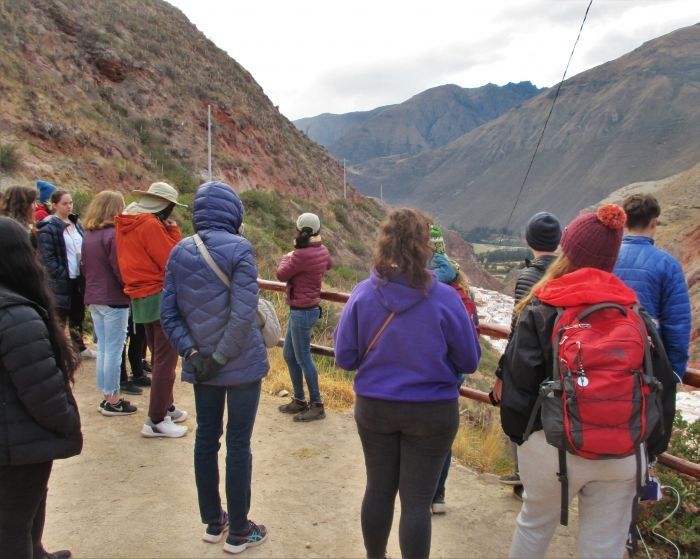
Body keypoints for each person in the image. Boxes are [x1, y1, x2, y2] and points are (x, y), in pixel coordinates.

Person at [499, 204, 676, 559]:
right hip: (623, 446)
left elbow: (519, 385)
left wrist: (521, 438)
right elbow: (664, 385)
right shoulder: (634, 313)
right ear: (611, 259)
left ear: (570, 251)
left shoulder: (543, 307)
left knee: (534, 526)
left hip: (552, 445)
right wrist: (651, 447)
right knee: (603, 545)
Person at [334, 208, 481, 559]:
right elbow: (469, 361)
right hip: (432, 414)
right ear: (424, 247)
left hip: (375, 409)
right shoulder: (446, 298)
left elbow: (345, 358)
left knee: (378, 490)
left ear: (384, 243)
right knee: (416, 503)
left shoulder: (363, 294)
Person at [161, 180, 270, 554]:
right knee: (238, 442)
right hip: (239, 366)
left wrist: (192, 355)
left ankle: (213, 522)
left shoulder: (179, 252)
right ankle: (239, 531)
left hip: (201, 368)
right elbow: (243, 315)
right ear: (232, 212)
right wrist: (221, 358)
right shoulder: (240, 249)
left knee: (206, 439)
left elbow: (169, 313)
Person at [0, 216, 82, 559]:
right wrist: (67, 423)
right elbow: (41, 389)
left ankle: (39, 551)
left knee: (26, 511)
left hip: (14, 438)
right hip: (18, 443)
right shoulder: (16, 315)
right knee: (12, 527)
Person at [492, 211, 561, 496]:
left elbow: (517, 330)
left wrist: (501, 373)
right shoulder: (567, 273)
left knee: (523, 415)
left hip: (530, 361)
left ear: (529, 239)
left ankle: (525, 478)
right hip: (560, 362)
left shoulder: (528, 276)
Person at [115, 181, 188, 438]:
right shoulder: (149, 225)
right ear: (164, 206)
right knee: (166, 361)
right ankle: (156, 420)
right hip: (159, 294)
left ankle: (166, 406)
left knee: (158, 355)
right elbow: (173, 257)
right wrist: (174, 231)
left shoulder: (127, 222)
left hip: (139, 294)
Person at [427, 225, 480, 514]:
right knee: (442, 436)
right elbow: (474, 334)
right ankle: (438, 495)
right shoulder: (461, 288)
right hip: (453, 373)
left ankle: (418, 493)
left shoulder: (424, 286)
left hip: (428, 371)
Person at [614, 193, 691, 381]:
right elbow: (677, 325)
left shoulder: (607, 258)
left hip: (606, 359)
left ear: (624, 222)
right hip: (649, 366)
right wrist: (674, 373)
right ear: (654, 223)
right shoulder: (668, 265)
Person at [82, 191, 138, 416]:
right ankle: (113, 399)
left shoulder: (89, 234)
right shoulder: (112, 235)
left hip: (94, 296)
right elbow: (120, 268)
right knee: (114, 350)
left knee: (104, 348)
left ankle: (107, 395)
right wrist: (131, 287)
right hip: (113, 298)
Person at [276, 212, 333, 421]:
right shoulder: (322, 250)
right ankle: (299, 399)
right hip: (305, 310)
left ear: (299, 229)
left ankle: (317, 404)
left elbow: (281, 275)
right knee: (290, 355)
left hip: (301, 311)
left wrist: (287, 256)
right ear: (317, 231)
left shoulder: (299, 256)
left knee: (303, 358)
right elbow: (329, 264)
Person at [36, 190, 95, 359]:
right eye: (65, 203)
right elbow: (47, 257)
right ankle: (56, 351)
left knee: (77, 314)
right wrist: (61, 273)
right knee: (59, 317)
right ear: (55, 205)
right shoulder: (48, 227)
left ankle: (79, 348)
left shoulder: (76, 223)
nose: (69, 206)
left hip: (78, 278)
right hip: (61, 280)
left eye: (71, 203)